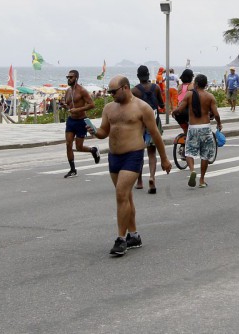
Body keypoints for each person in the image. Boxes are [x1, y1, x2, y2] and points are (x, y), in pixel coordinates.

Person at [88, 75, 170, 257]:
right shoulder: (109, 108)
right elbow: (104, 132)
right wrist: (94, 131)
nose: (111, 95)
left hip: (133, 156)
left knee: (121, 194)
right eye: (109, 92)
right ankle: (134, 235)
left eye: (114, 92)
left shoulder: (142, 107)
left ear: (125, 88)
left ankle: (121, 239)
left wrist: (164, 159)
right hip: (114, 157)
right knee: (126, 197)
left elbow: (155, 134)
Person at [173, 73, 222, 188]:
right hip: (205, 128)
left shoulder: (189, 95)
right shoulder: (210, 96)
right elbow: (216, 114)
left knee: (189, 152)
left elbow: (180, 109)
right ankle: (201, 180)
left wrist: (174, 112)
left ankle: (192, 171)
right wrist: (219, 123)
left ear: (196, 84)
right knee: (205, 155)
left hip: (193, 128)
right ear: (205, 85)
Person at [131, 66, 165, 193]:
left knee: (139, 153)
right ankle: (152, 177)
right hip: (154, 123)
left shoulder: (134, 91)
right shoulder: (155, 88)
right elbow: (161, 104)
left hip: (140, 125)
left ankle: (139, 181)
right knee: (152, 153)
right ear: (148, 75)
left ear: (138, 76)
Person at [62, 70, 100, 177]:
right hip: (71, 121)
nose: (69, 79)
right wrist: (66, 107)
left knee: (79, 147)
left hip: (81, 121)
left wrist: (78, 109)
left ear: (76, 78)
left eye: (71, 77)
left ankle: (93, 150)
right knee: (68, 144)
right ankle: (72, 169)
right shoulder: (68, 91)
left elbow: (92, 104)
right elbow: (69, 106)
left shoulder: (82, 91)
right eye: (68, 77)